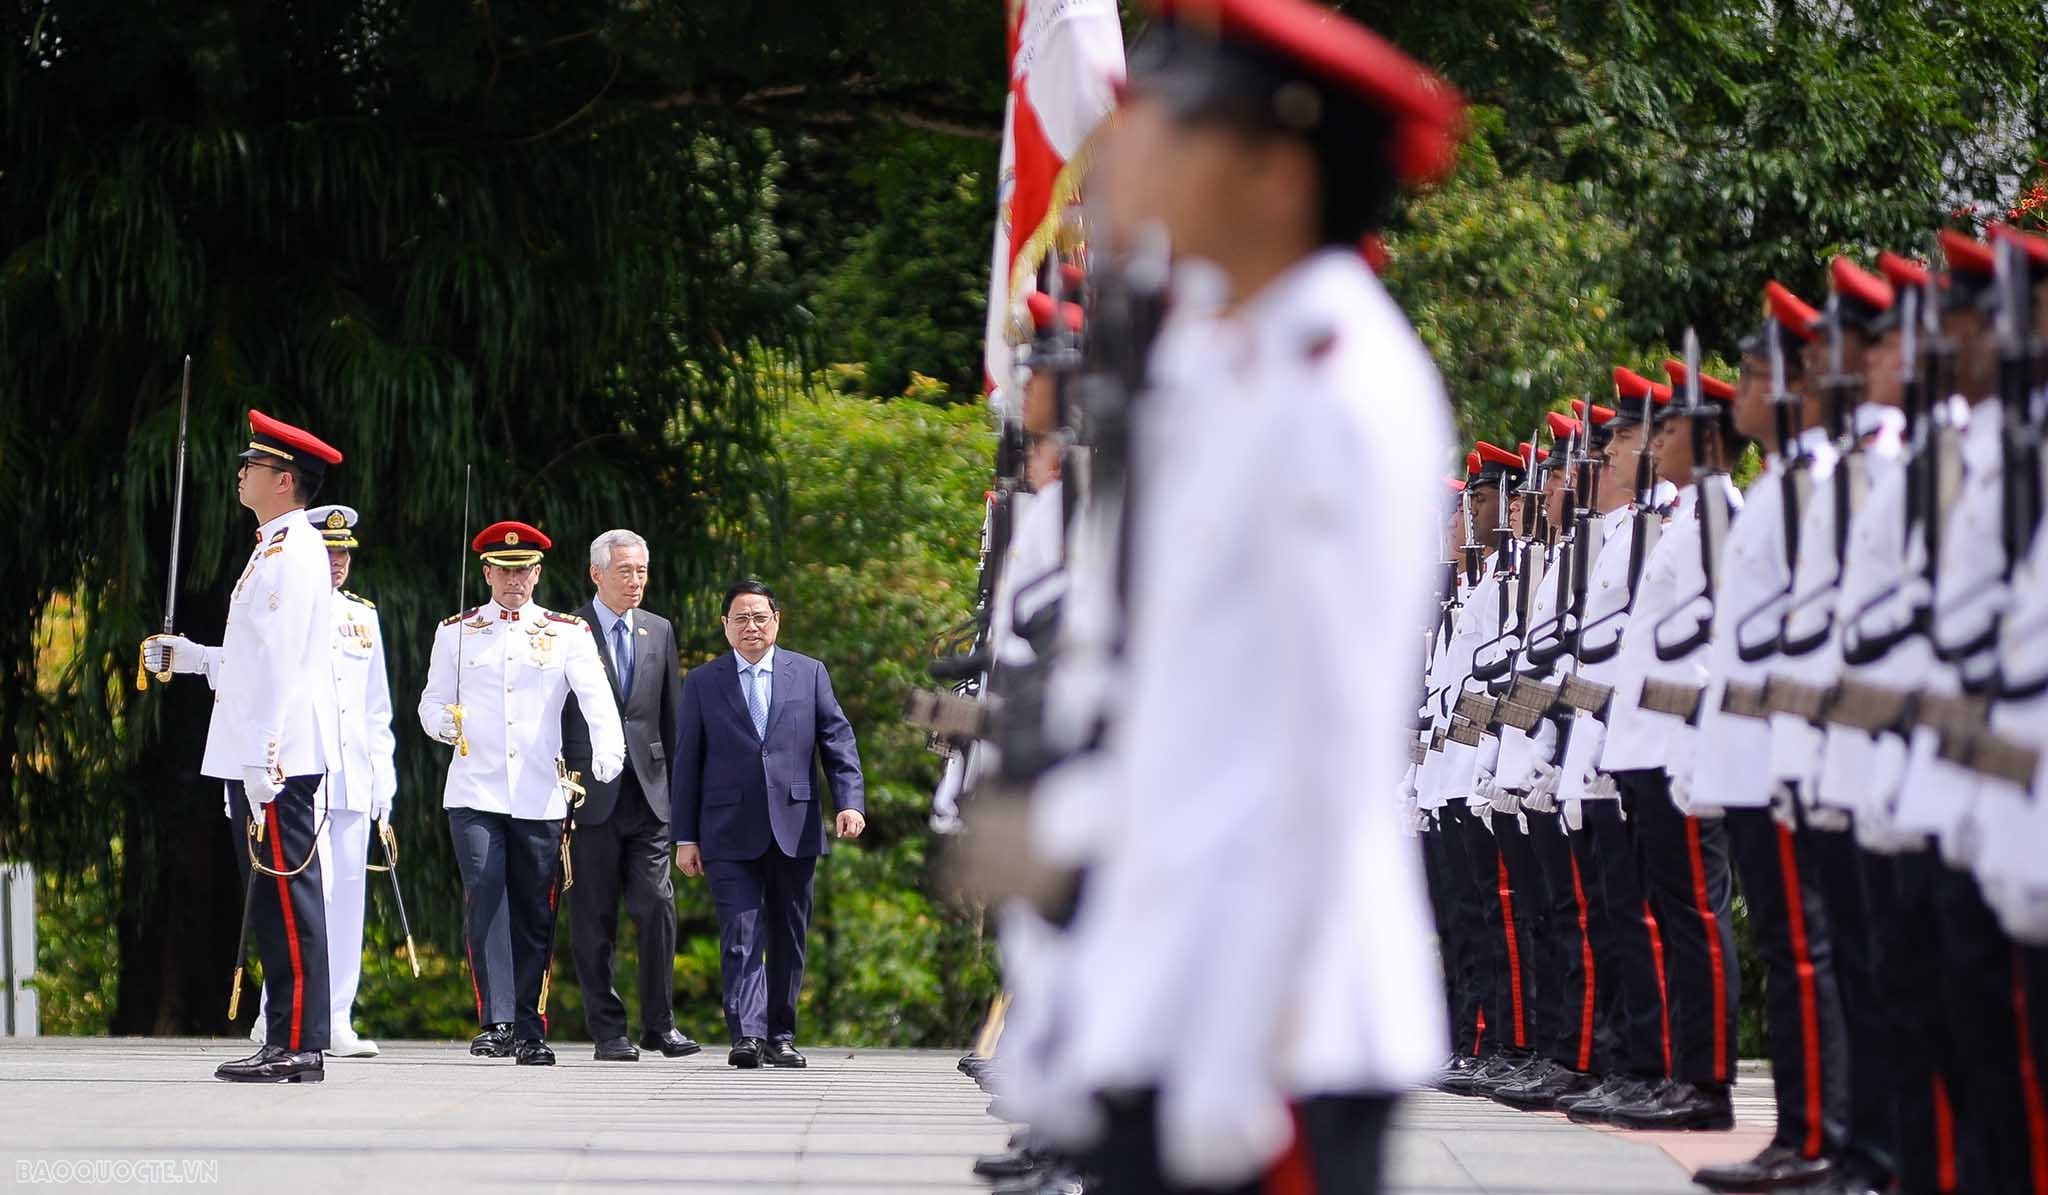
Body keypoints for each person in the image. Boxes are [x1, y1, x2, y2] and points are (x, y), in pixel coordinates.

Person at [1031, 0, 1464, 1188]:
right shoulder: (1221, 357)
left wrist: (1239, 1052)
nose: (1133, 153)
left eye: (1173, 129)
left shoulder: (1337, 385)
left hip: (1283, 1023)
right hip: (1167, 982)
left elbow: (1316, 747)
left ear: (1273, 177)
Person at [142, 409, 344, 1082]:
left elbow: (286, 664)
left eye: (252, 464)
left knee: (289, 896)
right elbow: (255, 660)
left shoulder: (293, 552)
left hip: (276, 755)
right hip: (260, 750)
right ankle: (286, 1034)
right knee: (270, 897)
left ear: (284, 480)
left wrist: (265, 755)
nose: (240, 471)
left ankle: (300, 1042)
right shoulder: (271, 546)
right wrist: (195, 657)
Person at [418, 520, 623, 1066]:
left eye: (524, 570)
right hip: (474, 786)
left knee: (537, 906)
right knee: (485, 893)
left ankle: (532, 1027)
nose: (515, 580)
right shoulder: (456, 631)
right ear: (487, 572)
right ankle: (498, 1020)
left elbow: (596, 698)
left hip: (537, 791)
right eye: (504, 570)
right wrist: (445, 724)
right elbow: (430, 702)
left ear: (538, 573)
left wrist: (609, 751)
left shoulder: (566, 632)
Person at [670, 579, 867, 1070]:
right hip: (726, 829)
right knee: (739, 932)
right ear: (725, 626)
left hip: (794, 824)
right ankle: (747, 1034)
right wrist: (685, 837)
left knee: (787, 934)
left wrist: (850, 803)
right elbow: (687, 763)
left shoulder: (809, 673)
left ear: (777, 620)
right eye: (741, 618)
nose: (751, 627)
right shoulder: (702, 682)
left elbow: (837, 742)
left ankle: (780, 1033)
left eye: (760, 617)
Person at [246, 505, 396, 1059]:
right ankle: (276, 1013)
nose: (337, 562)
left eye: (344, 554)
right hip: (305, 775)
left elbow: (376, 708)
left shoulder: (363, 616)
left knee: (347, 901)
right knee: (306, 899)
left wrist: (385, 779)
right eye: (328, 552)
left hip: (354, 775)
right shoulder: (290, 609)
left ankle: (336, 1016)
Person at [561, 528, 698, 1062]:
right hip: (589, 794)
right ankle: (608, 1031)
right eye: (625, 571)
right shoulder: (567, 630)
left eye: (642, 570)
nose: (636, 580)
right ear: (597, 574)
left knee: (657, 905)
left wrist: (682, 807)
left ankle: (660, 1025)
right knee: (594, 919)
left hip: (649, 795)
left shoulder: (659, 631)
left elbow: (671, 718)